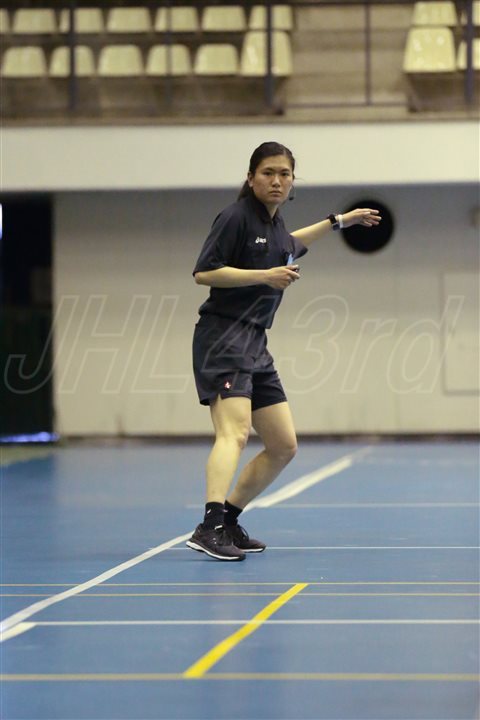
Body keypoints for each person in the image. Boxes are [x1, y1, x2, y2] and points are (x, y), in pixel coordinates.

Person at [187, 141, 381, 561]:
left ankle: (230, 520)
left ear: (293, 181)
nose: (276, 180)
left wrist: (339, 221)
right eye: (268, 173)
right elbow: (204, 272)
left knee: (282, 445)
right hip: (223, 337)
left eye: (284, 174)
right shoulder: (236, 217)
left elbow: (292, 242)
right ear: (251, 177)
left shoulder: (275, 226)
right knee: (235, 433)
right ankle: (209, 527)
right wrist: (264, 275)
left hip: (256, 342)